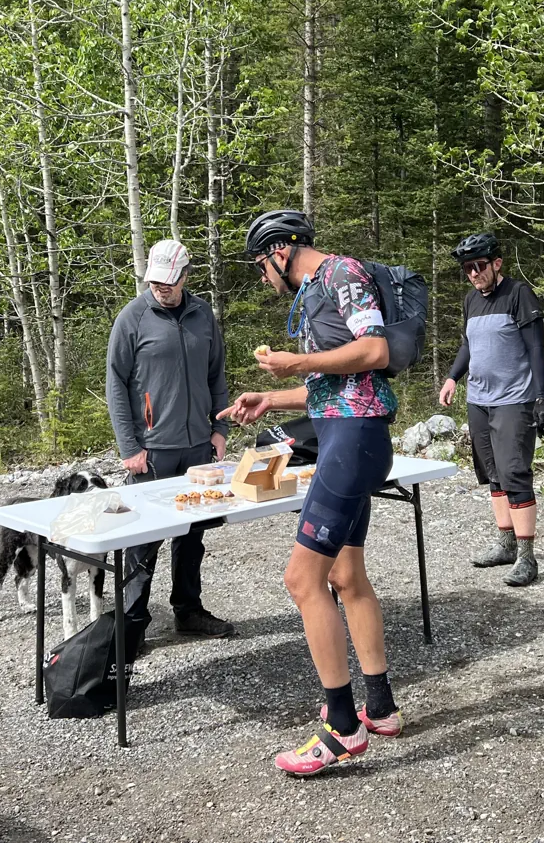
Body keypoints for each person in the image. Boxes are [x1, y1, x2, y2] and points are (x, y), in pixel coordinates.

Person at [220, 209, 403, 776]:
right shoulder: (319, 290)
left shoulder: (342, 273)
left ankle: (342, 726)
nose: (262, 278)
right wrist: (270, 400)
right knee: (346, 576)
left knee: (302, 580)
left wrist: (295, 362)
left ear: (279, 251)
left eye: (260, 266)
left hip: (352, 443)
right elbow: (335, 383)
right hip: (348, 437)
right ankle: (380, 707)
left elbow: (375, 352)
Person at [106, 239, 235, 642]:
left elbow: (216, 374)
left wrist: (219, 429)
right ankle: (131, 626)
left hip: (197, 446)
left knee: (192, 535)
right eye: (155, 280)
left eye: (168, 280)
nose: (160, 286)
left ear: (185, 276)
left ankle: (188, 611)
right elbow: (115, 383)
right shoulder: (132, 318)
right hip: (152, 449)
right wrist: (130, 448)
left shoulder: (202, 314)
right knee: (143, 539)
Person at [439, 232, 544, 587]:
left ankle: (527, 557)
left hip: (514, 400)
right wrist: (452, 377)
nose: (474, 273)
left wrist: (543, 397)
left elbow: (536, 349)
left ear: (496, 263)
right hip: (479, 401)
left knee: (514, 471)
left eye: (479, 266)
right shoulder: (471, 301)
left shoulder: (518, 294)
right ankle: (505, 544)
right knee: (493, 473)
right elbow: (468, 345)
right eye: (467, 268)